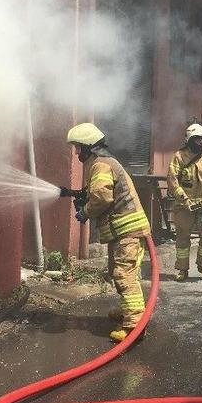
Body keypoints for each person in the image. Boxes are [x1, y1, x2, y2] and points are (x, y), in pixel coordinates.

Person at [66, 122, 151, 343]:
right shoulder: (103, 163)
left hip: (127, 229)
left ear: (88, 147)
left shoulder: (101, 165)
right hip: (121, 230)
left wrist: (85, 211)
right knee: (120, 271)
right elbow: (99, 192)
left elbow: (103, 197)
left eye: (78, 147)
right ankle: (127, 308)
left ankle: (134, 326)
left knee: (124, 274)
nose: (76, 153)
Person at [167, 123, 202, 282]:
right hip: (184, 206)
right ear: (190, 140)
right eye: (198, 139)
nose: (201, 142)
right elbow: (172, 180)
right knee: (182, 237)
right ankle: (182, 269)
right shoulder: (178, 157)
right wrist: (184, 200)